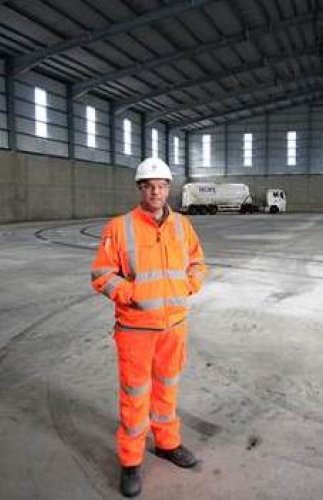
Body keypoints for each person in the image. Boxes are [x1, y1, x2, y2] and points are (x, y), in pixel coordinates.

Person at [90, 157, 207, 497]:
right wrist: (132, 295)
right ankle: (130, 461)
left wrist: (189, 285)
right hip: (136, 330)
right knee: (135, 396)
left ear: (168, 189)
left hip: (174, 327)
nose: (156, 192)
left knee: (167, 389)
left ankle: (168, 444)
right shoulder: (119, 226)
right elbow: (101, 274)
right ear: (140, 189)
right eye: (149, 186)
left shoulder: (183, 226)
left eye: (162, 186)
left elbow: (198, 262)